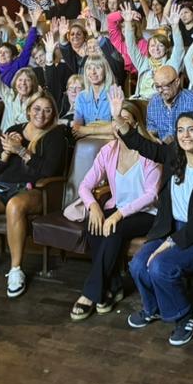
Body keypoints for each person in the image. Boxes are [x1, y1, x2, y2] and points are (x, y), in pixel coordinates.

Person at [109, 85, 193, 348]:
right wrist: (118, 118)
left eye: (192, 129)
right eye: (180, 130)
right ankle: (153, 308)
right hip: (168, 226)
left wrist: (167, 244)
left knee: (160, 266)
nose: (185, 135)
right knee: (139, 264)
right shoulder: (175, 155)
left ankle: (186, 315)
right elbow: (142, 146)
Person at [0, 92, 69, 298]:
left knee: (14, 206)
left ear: (53, 114)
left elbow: (48, 171)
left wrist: (21, 150)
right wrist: (6, 152)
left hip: (34, 190)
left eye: (47, 110)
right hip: (3, 186)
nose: (41, 114)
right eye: (37, 109)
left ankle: (16, 270)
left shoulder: (55, 136)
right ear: (29, 110)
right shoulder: (14, 129)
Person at [69, 100, 162, 321]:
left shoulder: (150, 149)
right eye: (116, 122)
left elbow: (152, 195)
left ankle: (91, 293)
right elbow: (85, 185)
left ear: (136, 125)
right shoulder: (108, 150)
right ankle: (114, 287)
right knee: (95, 225)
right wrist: (93, 206)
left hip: (148, 213)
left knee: (114, 228)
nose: (119, 127)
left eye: (125, 122)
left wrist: (119, 214)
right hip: (119, 208)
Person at [146, 64, 193, 142]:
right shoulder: (154, 102)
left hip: (189, 151)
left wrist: (181, 141)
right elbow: (151, 129)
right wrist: (152, 137)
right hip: (162, 150)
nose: (160, 91)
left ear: (177, 82)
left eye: (165, 86)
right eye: (157, 86)